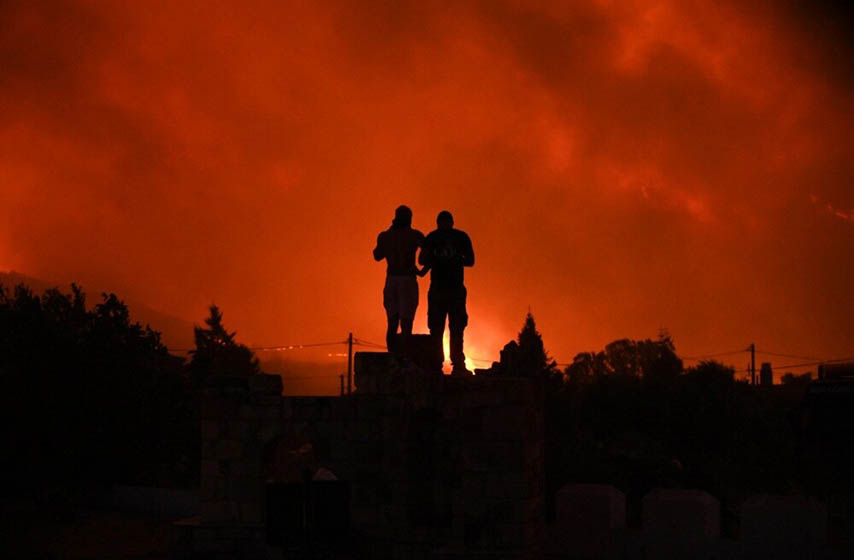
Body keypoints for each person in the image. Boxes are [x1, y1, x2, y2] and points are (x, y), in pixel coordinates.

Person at [419, 210, 474, 374]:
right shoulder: (460, 237)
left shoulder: (433, 237)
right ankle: (449, 364)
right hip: (450, 289)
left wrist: (438, 259)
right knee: (447, 328)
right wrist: (454, 258)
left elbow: (422, 260)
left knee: (444, 328)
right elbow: (470, 261)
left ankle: (444, 364)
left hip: (443, 289)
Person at [373, 205, 426, 352]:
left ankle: (393, 356)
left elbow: (377, 255)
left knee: (392, 323)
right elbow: (427, 252)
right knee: (406, 324)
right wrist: (422, 270)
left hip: (391, 279)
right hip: (407, 280)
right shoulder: (415, 235)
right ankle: (404, 358)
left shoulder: (385, 236)